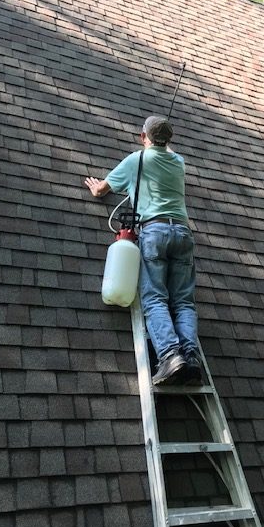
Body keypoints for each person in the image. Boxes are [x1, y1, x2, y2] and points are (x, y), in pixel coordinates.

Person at [84, 115, 201, 386]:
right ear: (168, 141)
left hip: (155, 232)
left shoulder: (136, 160)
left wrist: (95, 188)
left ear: (142, 137)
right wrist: (159, 141)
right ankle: (191, 358)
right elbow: (165, 150)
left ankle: (171, 356)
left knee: (155, 299)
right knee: (183, 301)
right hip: (182, 232)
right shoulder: (179, 163)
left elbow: (102, 190)